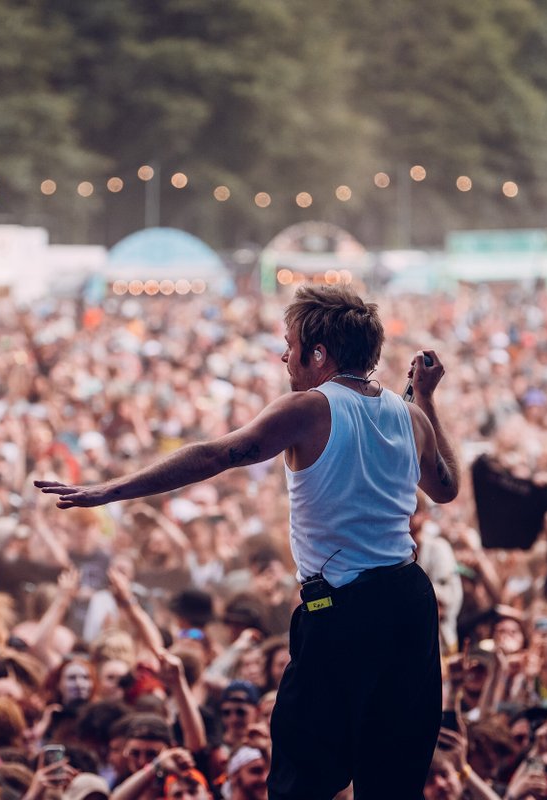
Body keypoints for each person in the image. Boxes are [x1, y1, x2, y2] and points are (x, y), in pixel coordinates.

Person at [38, 285, 460, 799]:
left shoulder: (310, 409)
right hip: (409, 602)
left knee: (301, 775)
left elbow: (215, 455)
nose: (285, 357)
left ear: (318, 354)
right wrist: (426, 399)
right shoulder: (410, 416)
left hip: (344, 610)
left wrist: (110, 490)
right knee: (392, 776)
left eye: (290, 345)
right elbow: (446, 487)